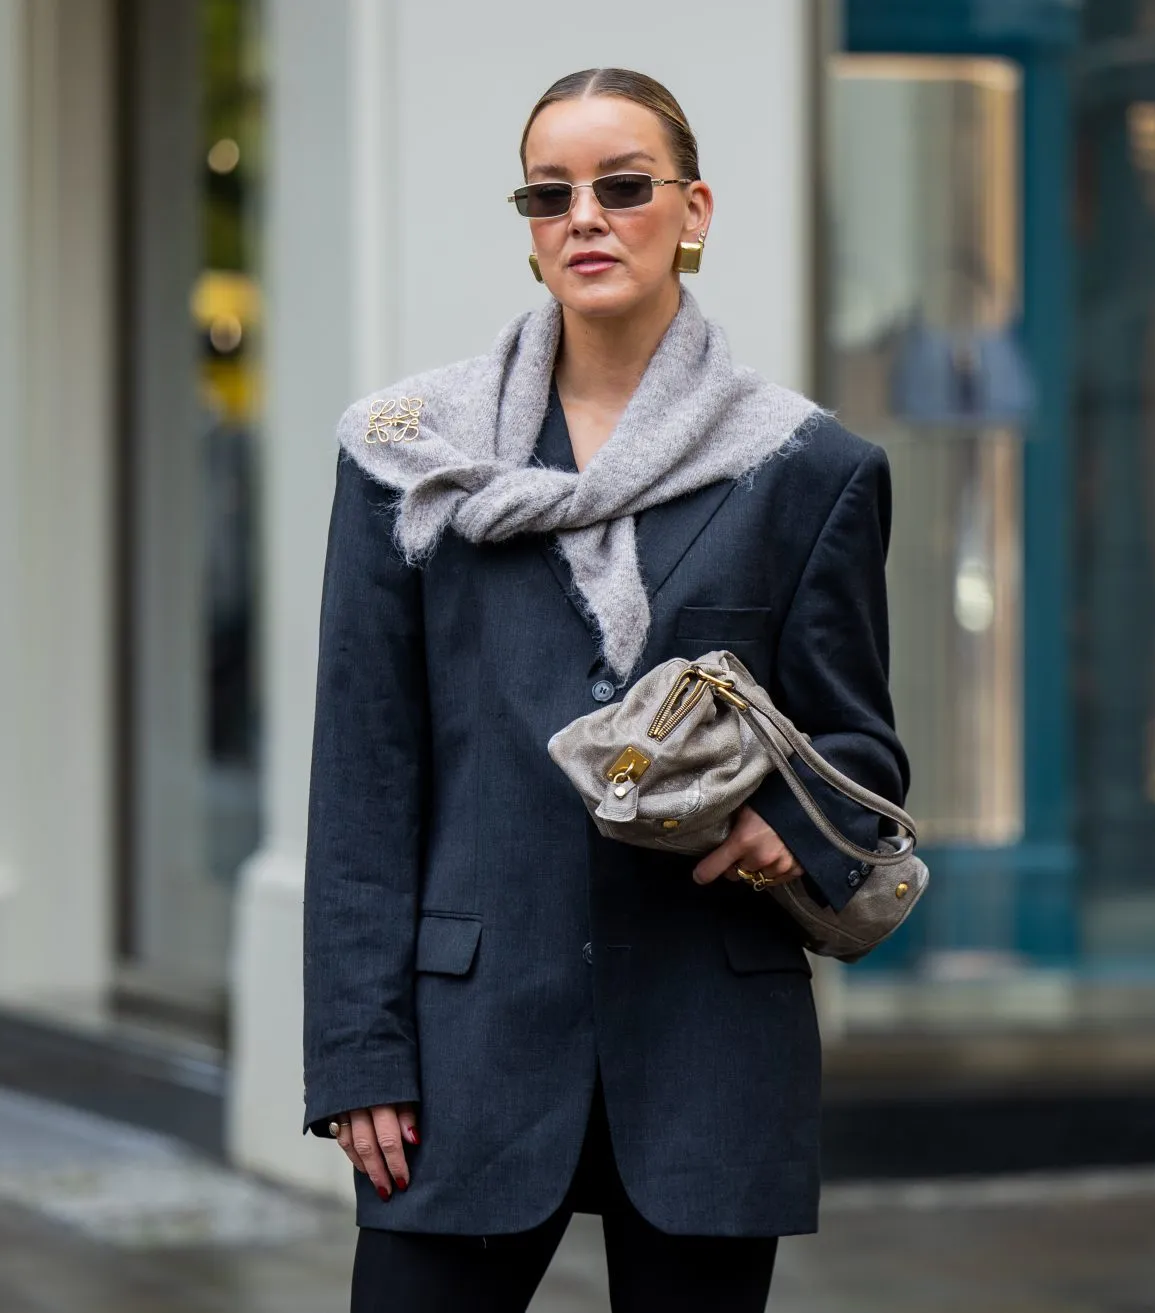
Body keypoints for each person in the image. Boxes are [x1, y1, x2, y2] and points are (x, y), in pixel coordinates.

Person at [303, 67, 908, 1313]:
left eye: (621, 187)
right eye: (550, 192)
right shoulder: (410, 459)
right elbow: (363, 775)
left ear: (690, 209)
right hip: (462, 1046)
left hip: (706, 1043)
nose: (585, 215)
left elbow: (861, 748)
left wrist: (777, 829)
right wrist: (358, 1051)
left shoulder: (807, 469)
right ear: (529, 231)